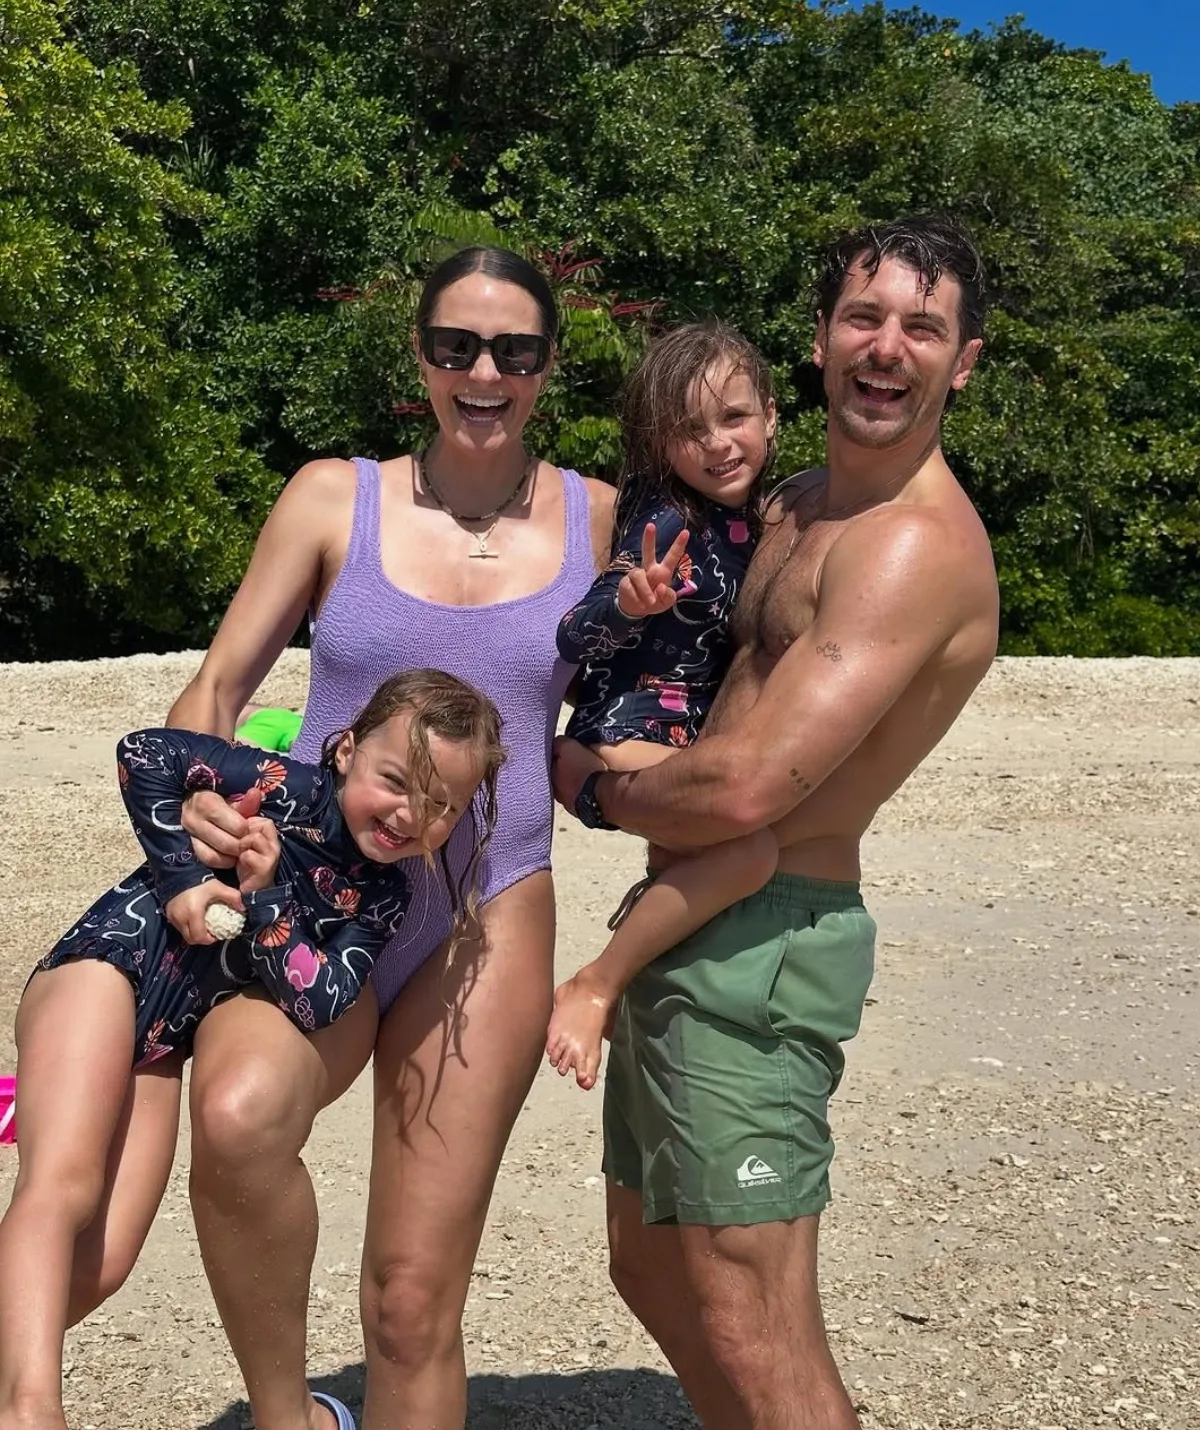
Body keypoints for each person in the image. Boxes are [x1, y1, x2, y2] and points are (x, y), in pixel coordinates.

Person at [44, 246, 614, 1430]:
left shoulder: (600, 518)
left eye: (514, 351)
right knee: (239, 1116)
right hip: (310, 890)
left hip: (486, 913)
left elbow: (659, 692)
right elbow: (218, 685)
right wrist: (200, 814)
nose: (484, 373)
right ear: (420, 354)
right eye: (457, 345)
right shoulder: (329, 497)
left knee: (410, 1299)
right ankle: (289, 1414)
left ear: (549, 364)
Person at [553, 214, 1001, 1430]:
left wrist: (587, 781)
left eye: (923, 328)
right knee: (654, 1266)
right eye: (864, 316)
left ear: (962, 363)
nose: (887, 346)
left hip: (765, 934)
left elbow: (753, 786)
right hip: (686, 921)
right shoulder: (791, 504)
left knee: (750, 1308)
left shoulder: (910, 548)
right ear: (819, 338)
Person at [0, 669, 503, 1430]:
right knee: (62, 1185)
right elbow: (144, 752)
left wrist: (267, 898)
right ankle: (31, 1409)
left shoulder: (384, 894)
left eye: (441, 804)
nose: (409, 813)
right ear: (345, 751)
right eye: (395, 781)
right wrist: (181, 876)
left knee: (104, 1262)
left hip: (163, 1045)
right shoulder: (281, 787)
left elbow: (321, 997)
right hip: (108, 969)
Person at [546, 322, 780, 1091]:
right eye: (689, 430)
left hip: (680, 739)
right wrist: (628, 600)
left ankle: (635, 994)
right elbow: (573, 632)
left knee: (693, 877)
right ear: (661, 444)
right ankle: (596, 984)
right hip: (623, 730)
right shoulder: (667, 518)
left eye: (734, 417)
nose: (717, 443)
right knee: (747, 851)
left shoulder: (767, 516)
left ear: (771, 415)